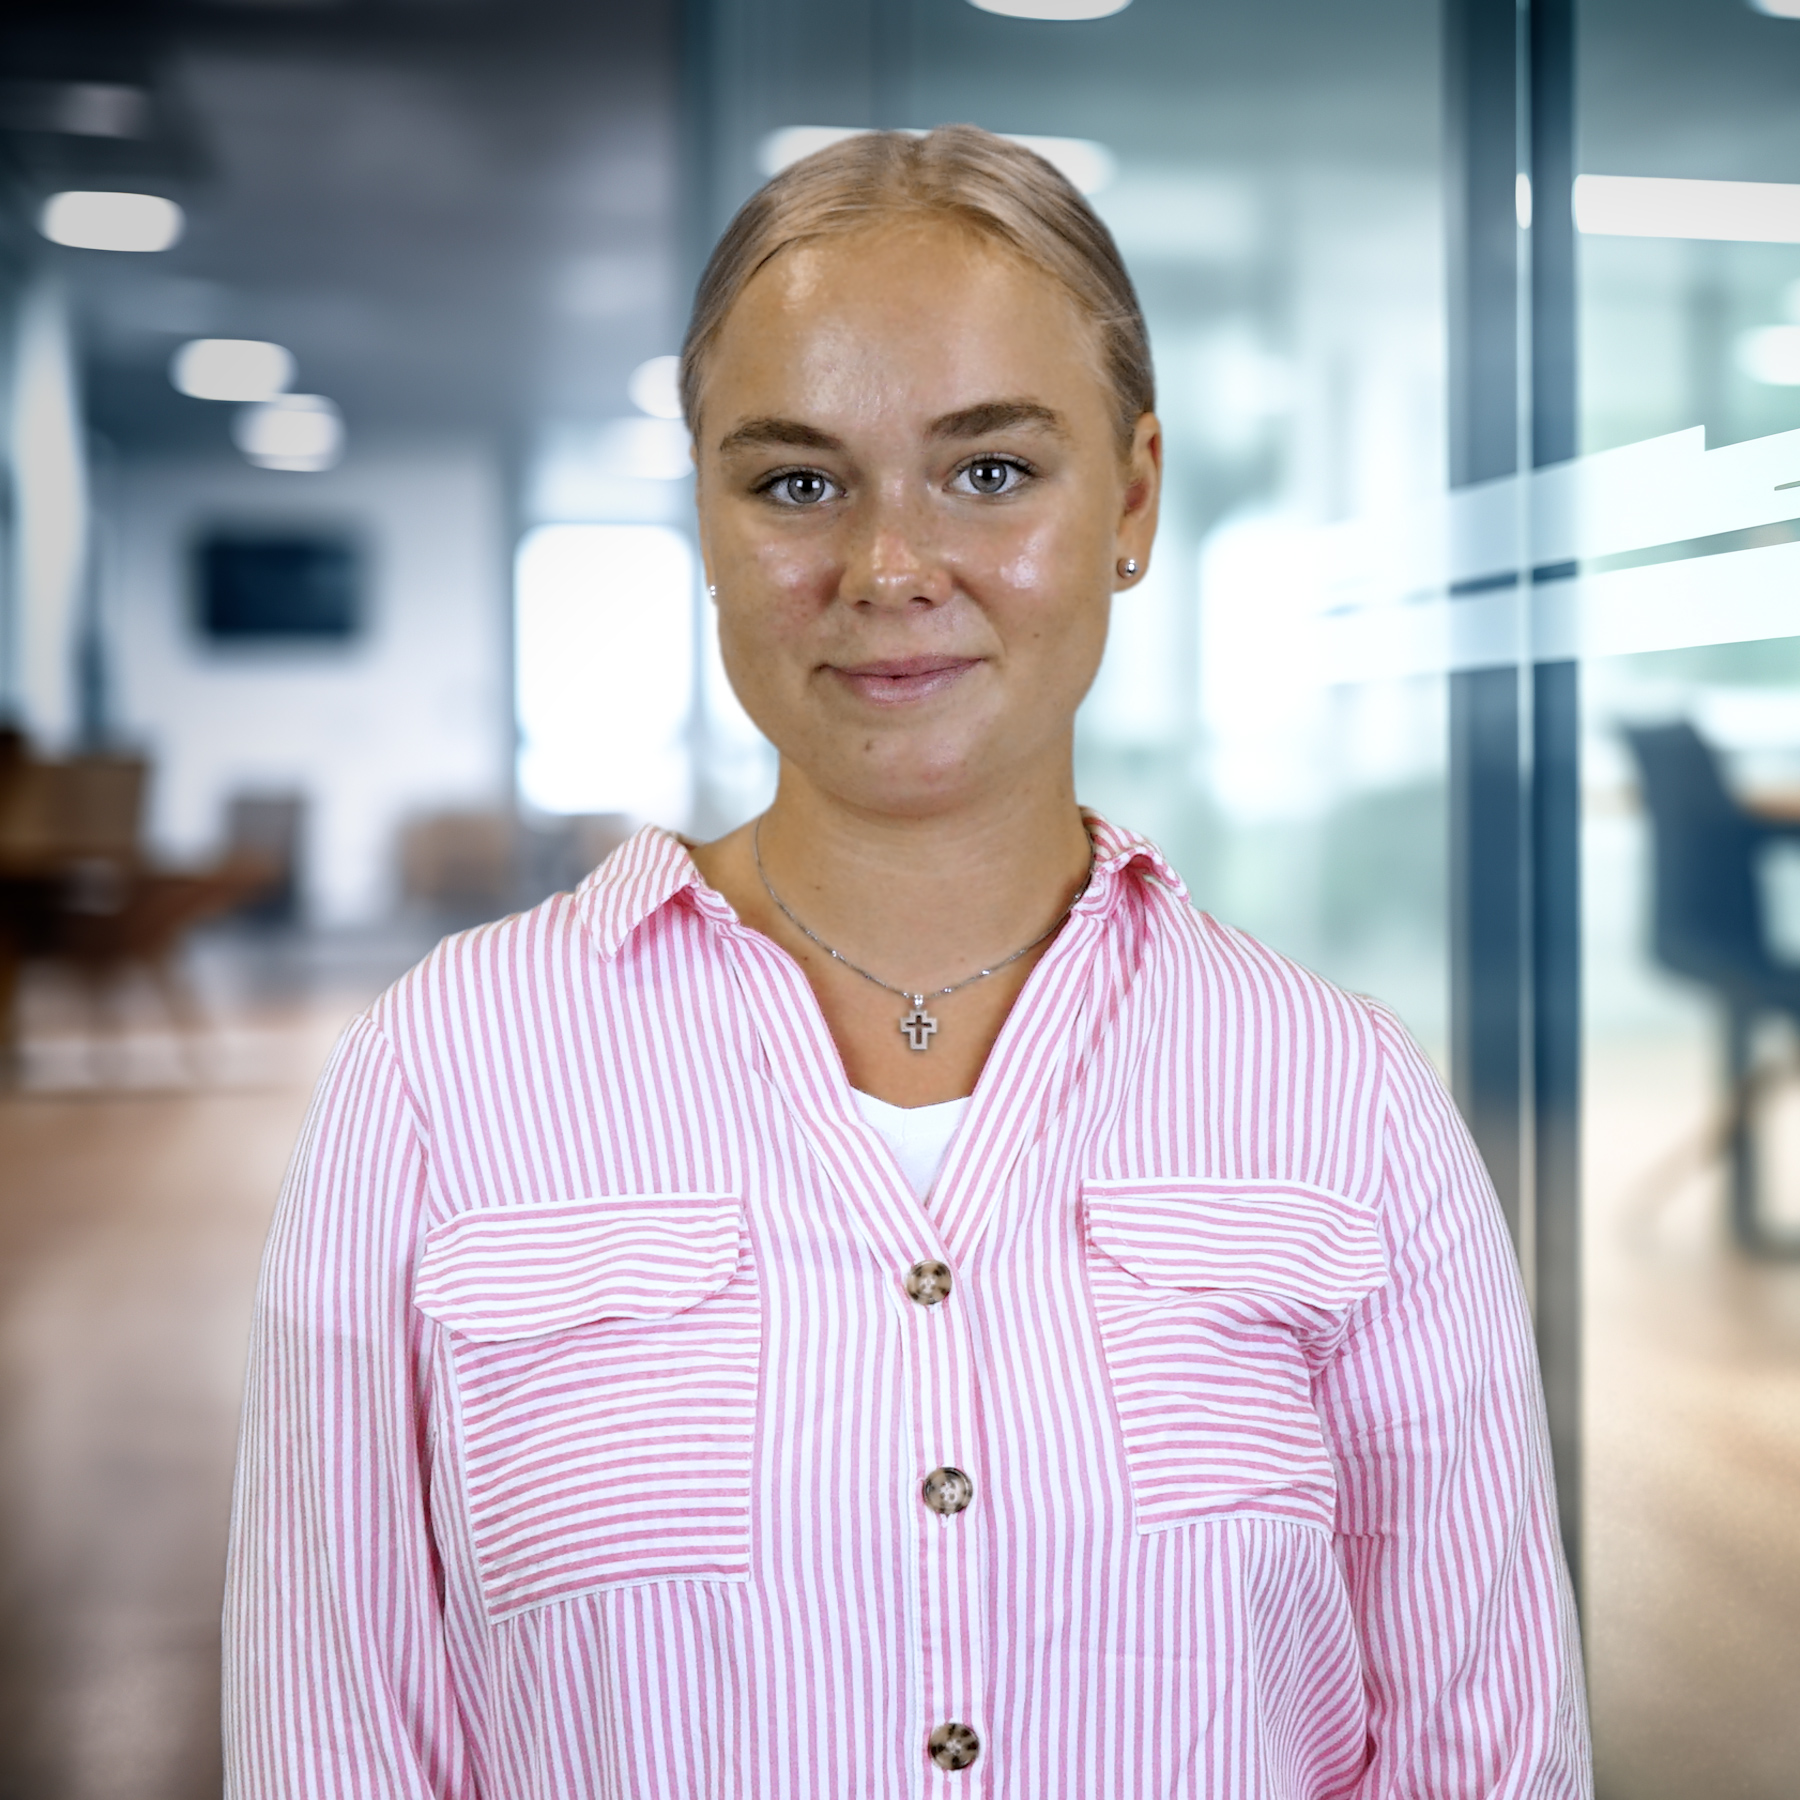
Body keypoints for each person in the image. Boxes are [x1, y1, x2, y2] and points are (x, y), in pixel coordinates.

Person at [224, 126, 1590, 1798]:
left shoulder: (1345, 1103)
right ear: (710, 520)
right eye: (797, 481)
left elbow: (1486, 1756)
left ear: (1134, 501)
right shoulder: (439, 1083)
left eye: (992, 471)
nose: (887, 571)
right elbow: (331, 1748)